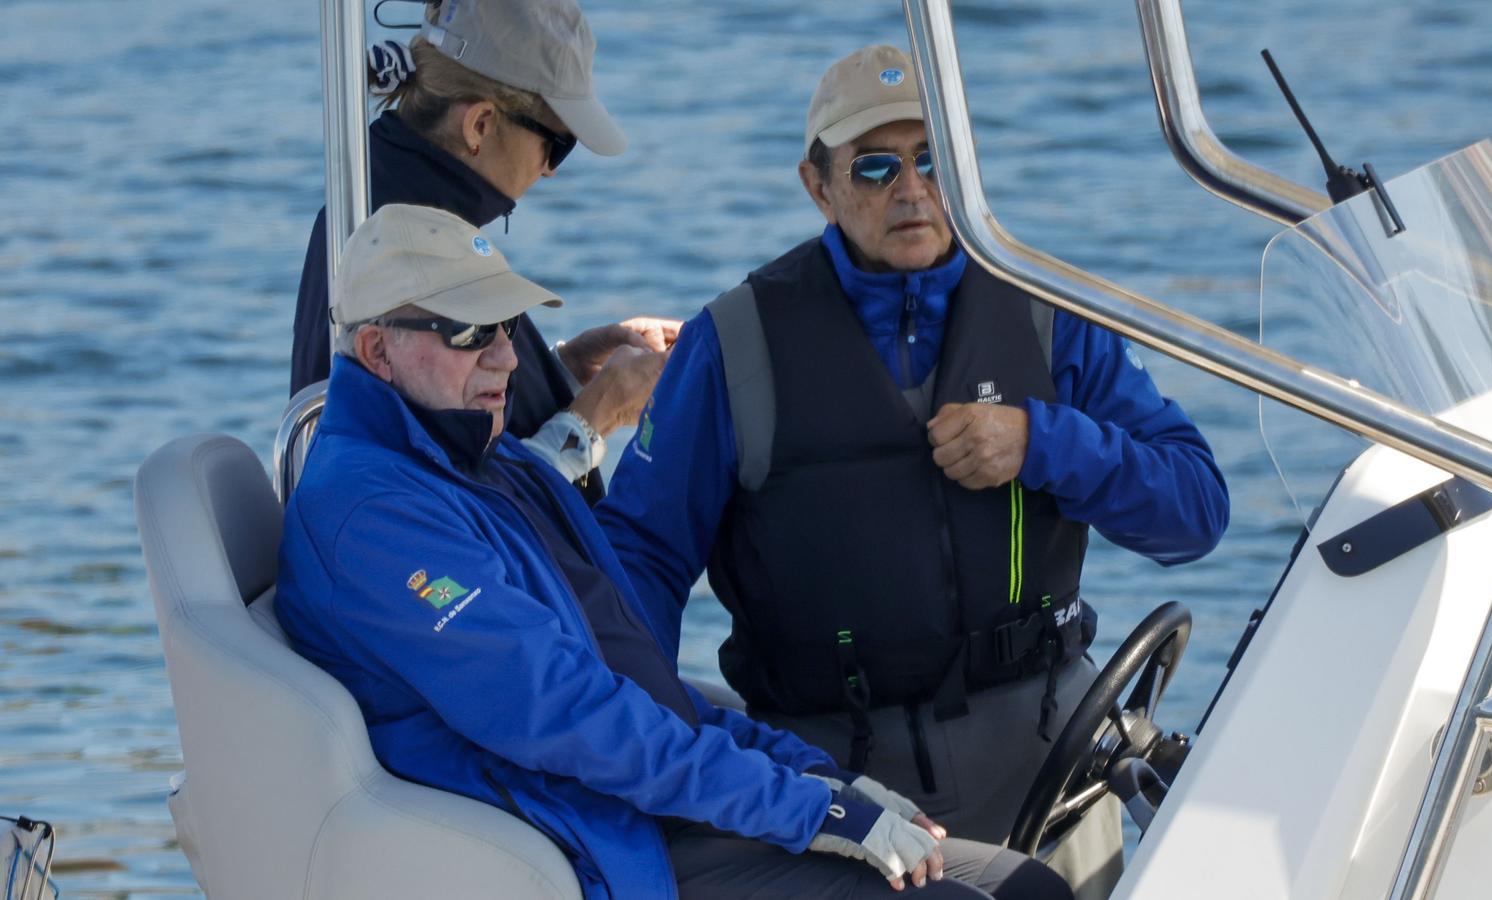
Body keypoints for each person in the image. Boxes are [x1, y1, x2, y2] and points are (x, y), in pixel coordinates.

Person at [274, 203, 1074, 900]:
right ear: (377, 352)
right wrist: (804, 809)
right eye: (468, 332)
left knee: (1027, 887)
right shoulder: (371, 518)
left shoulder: (492, 465)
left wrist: (818, 778)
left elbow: (635, 680)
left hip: (645, 807)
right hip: (591, 841)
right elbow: (568, 715)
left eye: (509, 327)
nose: (507, 358)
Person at [597, 45, 1230, 898]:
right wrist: (648, 761)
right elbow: (636, 566)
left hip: (1051, 752)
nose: (912, 188)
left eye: (934, 160)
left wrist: (1044, 443)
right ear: (817, 184)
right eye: (876, 165)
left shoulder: (1051, 316)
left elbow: (1196, 511)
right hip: (839, 779)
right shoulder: (734, 344)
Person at [291, 0, 672, 505]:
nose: (551, 170)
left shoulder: (384, 203)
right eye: (557, 145)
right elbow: (462, 514)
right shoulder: (413, 249)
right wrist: (597, 415)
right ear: (479, 125)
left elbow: (449, 415)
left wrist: (563, 370)